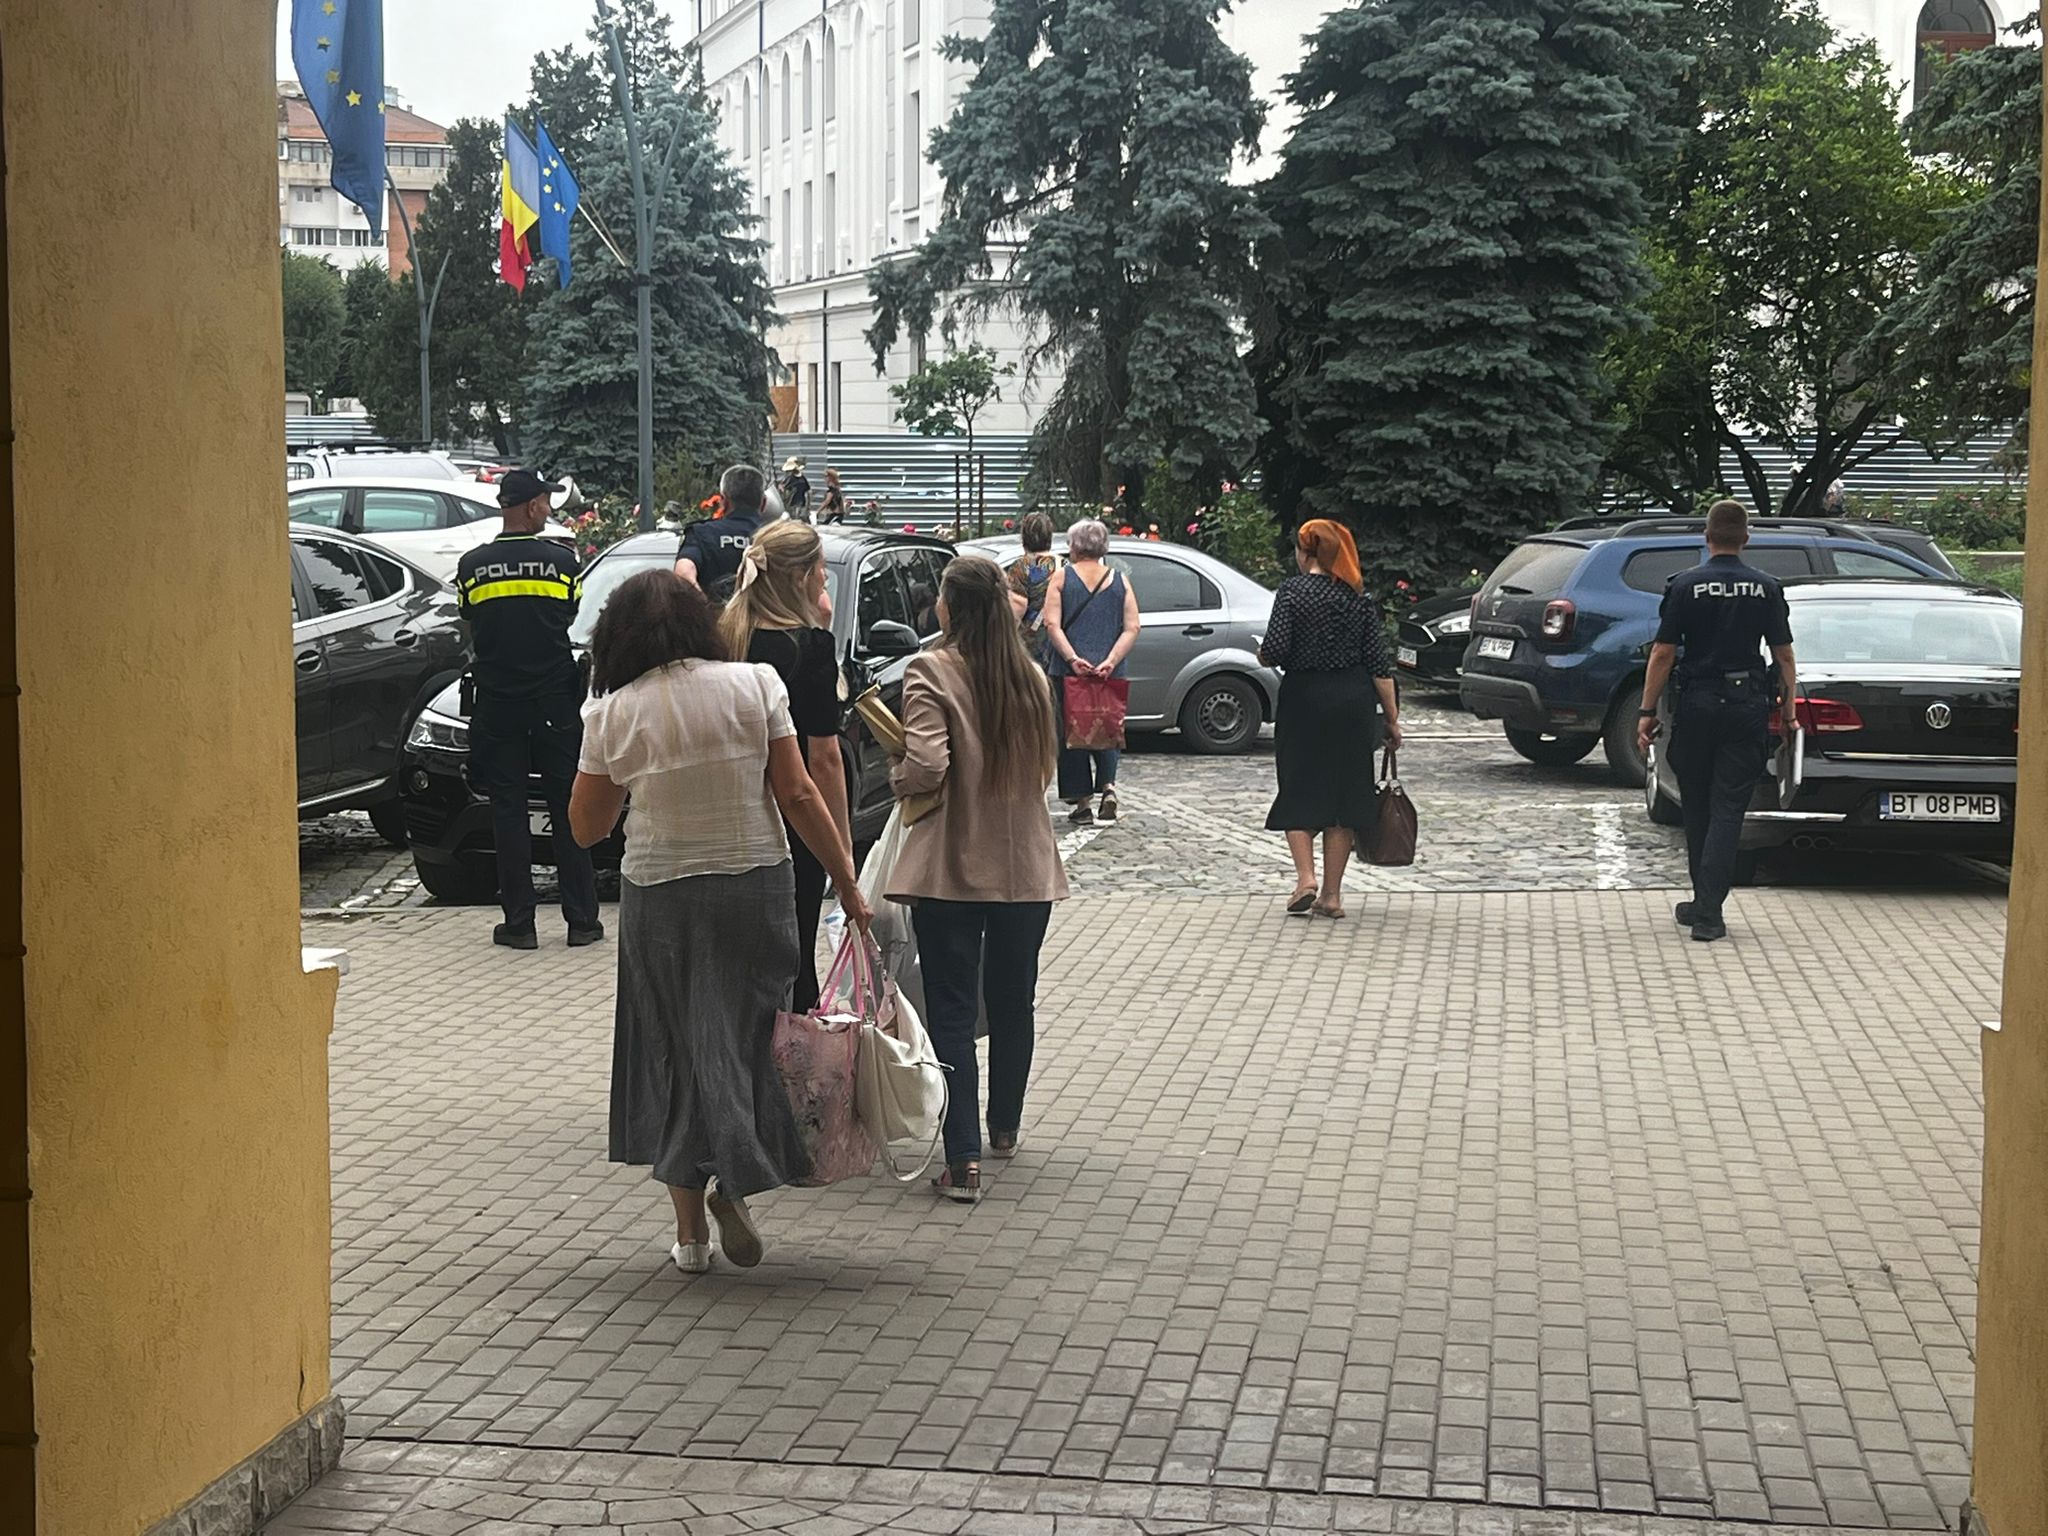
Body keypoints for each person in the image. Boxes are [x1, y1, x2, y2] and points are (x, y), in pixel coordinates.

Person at [569, 571, 872, 1274]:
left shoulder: (613, 713)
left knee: (672, 1048)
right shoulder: (756, 685)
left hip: (660, 892)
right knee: (749, 1040)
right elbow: (797, 793)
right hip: (755, 883)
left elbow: (586, 827)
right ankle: (735, 1180)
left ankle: (691, 1238)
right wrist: (846, 883)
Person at [886, 558, 1068, 1204]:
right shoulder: (1030, 676)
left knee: (953, 1008)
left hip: (953, 865)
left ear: (948, 607)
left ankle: (962, 1158)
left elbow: (927, 764)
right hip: (1026, 865)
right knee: (1015, 999)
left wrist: (898, 777)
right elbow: (1044, 768)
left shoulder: (930, 671)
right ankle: (1005, 1127)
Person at [1636, 499, 1798, 944]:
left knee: (1697, 806)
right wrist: (1788, 713)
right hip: (1746, 707)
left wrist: (1646, 712)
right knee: (1728, 809)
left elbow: (1663, 653)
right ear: (1746, 538)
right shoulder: (1766, 588)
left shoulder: (1684, 586)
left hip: (1698, 705)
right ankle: (1708, 909)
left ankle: (1704, 905)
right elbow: (1783, 655)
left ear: (1706, 537)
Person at [455, 467, 603, 951]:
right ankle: (582, 921)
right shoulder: (561, 562)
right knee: (566, 804)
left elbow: (469, 616)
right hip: (553, 701)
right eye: (545, 502)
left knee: (508, 808)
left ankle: (519, 924)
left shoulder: (472, 566)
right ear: (532, 506)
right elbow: (569, 613)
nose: (548, 510)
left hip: (498, 702)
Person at [720, 520, 853, 1013]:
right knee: (793, 960)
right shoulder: (809, 648)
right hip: (791, 827)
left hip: (727, 818)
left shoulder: (724, 637)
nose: (824, 578)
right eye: (820, 569)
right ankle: (788, 1052)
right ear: (800, 577)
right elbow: (825, 760)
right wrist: (841, 853)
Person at [1259, 520, 1404, 921]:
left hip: (1304, 699)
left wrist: (1263, 655)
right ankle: (1332, 896)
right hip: (1352, 703)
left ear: (1306, 553)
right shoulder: (1358, 599)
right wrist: (1392, 719)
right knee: (1345, 794)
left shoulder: (1292, 592)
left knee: (1298, 785)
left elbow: (1275, 648)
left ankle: (1305, 878)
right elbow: (1379, 666)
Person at [1042, 518, 1140, 825]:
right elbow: (1132, 627)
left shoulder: (1062, 577)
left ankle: (1082, 803)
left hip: (1069, 672)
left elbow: (1051, 624)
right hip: (1110, 672)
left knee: (1072, 734)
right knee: (1108, 727)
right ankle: (1108, 787)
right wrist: (1111, 660)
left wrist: (1072, 658)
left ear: (1074, 546)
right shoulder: (1120, 580)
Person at [676, 464, 775, 599]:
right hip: (767, 613)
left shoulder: (702, 534)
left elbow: (683, 573)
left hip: (715, 611)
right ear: (763, 503)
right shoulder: (778, 536)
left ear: (724, 502)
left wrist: (705, 606)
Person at [1005, 512, 1062, 652]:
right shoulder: (1065, 565)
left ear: (1024, 537)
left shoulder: (1021, 566)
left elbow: (1018, 605)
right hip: (1059, 640)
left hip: (1030, 643)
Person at [781, 457, 813, 523]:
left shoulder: (801, 478)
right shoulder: (790, 478)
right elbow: (784, 489)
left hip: (800, 503)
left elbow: (807, 491)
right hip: (793, 504)